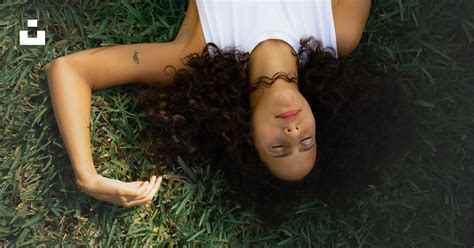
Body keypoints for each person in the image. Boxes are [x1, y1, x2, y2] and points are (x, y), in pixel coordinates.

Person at [46, 0, 414, 224]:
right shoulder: (339, 33)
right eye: (307, 140)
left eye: (280, 149)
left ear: (247, 135)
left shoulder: (195, 54)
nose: (292, 134)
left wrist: (87, 175)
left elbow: (70, 70)